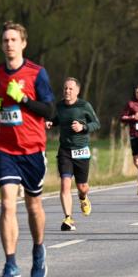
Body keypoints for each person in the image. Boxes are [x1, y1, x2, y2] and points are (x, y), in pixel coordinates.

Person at [0, 21, 55, 277]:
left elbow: (50, 111)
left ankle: (38, 250)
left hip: (32, 149)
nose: (9, 44)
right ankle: (11, 264)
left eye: (13, 40)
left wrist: (24, 99)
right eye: (5, 40)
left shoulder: (37, 73)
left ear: (23, 43)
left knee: (33, 205)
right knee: (6, 204)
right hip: (5, 148)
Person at [50, 78, 99, 231]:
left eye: (70, 89)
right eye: (65, 88)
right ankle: (68, 218)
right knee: (65, 184)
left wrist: (83, 127)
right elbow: (58, 119)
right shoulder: (59, 106)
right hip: (65, 150)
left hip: (81, 150)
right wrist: (51, 123)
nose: (67, 91)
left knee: (82, 187)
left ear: (77, 91)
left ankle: (83, 197)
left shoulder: (84, 106)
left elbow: (96, 123)